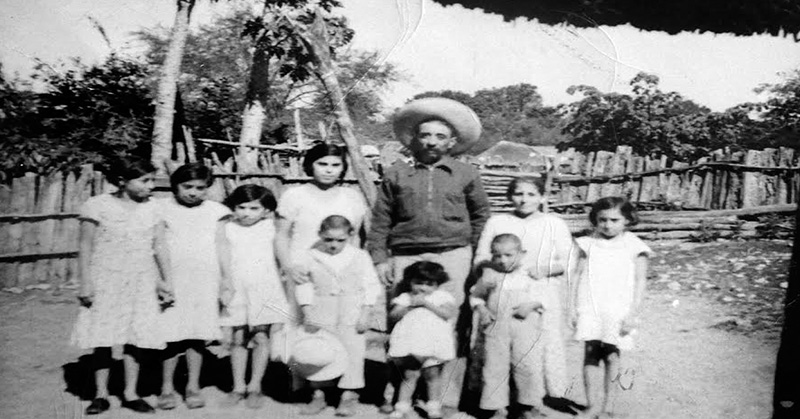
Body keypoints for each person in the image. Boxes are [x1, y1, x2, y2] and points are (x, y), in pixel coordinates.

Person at [368, 97, 491, 411]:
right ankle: (396, 394)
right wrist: (380, 259)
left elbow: (481, 217)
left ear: (452, 142)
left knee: (451, 320)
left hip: (454, 255)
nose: (432, 142)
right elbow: (381, 219)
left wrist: (477, 259)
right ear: (413, 139)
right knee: (402, 318)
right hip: (405, 256)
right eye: (425, 135)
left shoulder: (465, 173)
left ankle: (443, 395)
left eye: (440, 136)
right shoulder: (396, 173)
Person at [71, 157, 169, 415]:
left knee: (135, 336)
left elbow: (160, 245)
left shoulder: (154, 207)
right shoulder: (97, 205)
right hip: (106, 277)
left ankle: (131, 393)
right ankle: (101, 394)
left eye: (152, 180)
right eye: (144, 180)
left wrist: (165, 280)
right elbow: (85, 245)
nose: (151, 186)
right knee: (102, 336)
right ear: (122, 181)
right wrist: (85, 283)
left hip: (141, 278)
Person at [473, 177, 576, 400]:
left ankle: (539, 396)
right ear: (510, 196)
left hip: (540, 287)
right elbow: (482, 255)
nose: (524, 200)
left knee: (541, 340)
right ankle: (497, 396)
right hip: (503, 286)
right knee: (498, 343)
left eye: (531, 194)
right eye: (518, 194)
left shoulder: (554, 223)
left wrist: (545, 270)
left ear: (542, 197)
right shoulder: (497, 222)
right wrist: (487, 270)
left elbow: (569, 260)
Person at [155, 163, 230, 410]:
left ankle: (193, 386)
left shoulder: (217, 211)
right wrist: (161, 280)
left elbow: (222, 244)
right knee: (169, 333)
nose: (193, 192)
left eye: (200, 188)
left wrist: (226, 278)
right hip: (172, 277)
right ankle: (166, 387)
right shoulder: (161, 208)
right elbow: (157, 245)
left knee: (197, 333)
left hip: (205, 278)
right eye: (187, 186)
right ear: (175, 185)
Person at [571, 197, 652, 419]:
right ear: (595, 220)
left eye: (614, 220)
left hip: (618, 309)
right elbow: (576, 276)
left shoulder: (634, 246)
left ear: (627, 220)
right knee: (590, 354)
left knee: (612, 356)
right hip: (590, 306)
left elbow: (640, 281)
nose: (608, 225)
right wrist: (572, 308)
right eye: (602, 220)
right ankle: (592, 405)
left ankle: (608, 407)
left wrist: (633, 313)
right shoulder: (587, 243)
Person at [293, 215, 382, 417]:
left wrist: (365, 313)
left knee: (353, 349)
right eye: (328, 239)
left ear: (350, 235)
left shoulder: (359, 256)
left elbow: (371, 285)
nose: (334, 245)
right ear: (320, 235)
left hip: (352, 308)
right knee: (320, 349)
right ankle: (319, 394)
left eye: (340, 240)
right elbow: (304, 285)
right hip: (321, 306)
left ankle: (349, 395)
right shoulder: (311, 255)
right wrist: (307, 311)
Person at [217, 184, 290, 409]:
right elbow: (223, 256)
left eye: (253, 208)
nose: (246, 213)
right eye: (241, 207)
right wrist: (226, 283)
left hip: (264, 287)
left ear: (265, 210)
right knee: (238, 337)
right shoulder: (228, 228)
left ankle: (255, 385)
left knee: (261, 336)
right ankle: (238, 386)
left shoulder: (271, 227)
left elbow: (282, 252)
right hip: (238, 287)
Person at [470, 234, 555, 419]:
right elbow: (476, 296)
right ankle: (496, 407)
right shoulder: (490, 276)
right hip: (495, 327)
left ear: (521, 254)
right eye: (497, 256)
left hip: (524, 326)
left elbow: (546, 297)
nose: (502, 260)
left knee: (527, 365)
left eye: (508, 255)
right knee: (494, 366)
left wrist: (531, 305)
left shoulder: (530, 275)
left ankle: (527, 405)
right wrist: (482, 309)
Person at [275, 142, 369, 277]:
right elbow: (281, 235)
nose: (329, 170)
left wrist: (352, 267)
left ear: (343, 168)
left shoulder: (352, 197)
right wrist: (288, 267)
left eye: (335, 165)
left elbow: (354, 238)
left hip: (340, 271)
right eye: (322, 164)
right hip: (303, 271)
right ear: (310, 165)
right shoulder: (294, 195)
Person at [387, 261, 457, 419]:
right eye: (418, 283)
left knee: (433, 375)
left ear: (437, 284)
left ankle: (433, 406)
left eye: (429, 284)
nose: (423, 288)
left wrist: (426, 303)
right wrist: (410, 305)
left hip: (433, 343)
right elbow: (393, 315)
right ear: (410, 281)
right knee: (409, 375)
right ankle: (402, 406)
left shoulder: (441, 296)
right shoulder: (406, 297)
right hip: (412, 344)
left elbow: (447, 314)